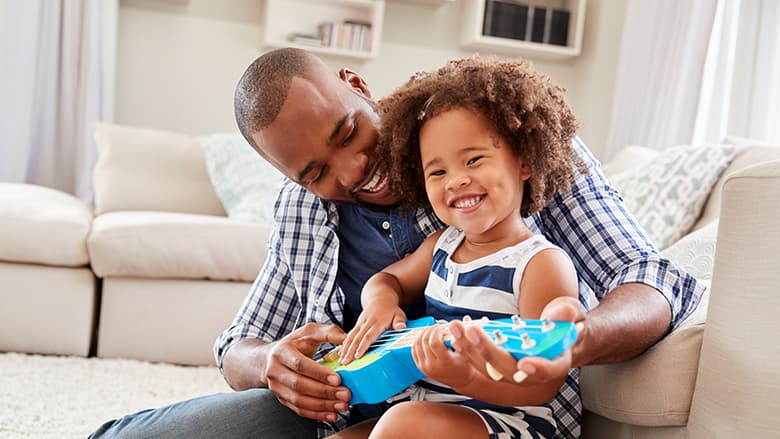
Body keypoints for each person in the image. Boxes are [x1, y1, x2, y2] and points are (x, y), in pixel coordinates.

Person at [89, 48, 705, 439]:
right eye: (315, 171)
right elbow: (237, 346)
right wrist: (271, 365)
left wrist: (570, 341)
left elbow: (648, 277)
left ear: (357, 84)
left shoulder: (500, 145)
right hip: (342, 404)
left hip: (484, 410)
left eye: (349, 132)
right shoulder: (303, 204)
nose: (351, 170)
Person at [330, 55, 584, 439]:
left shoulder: (540, 264)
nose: (456, 181)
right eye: (438, 171)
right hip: (435, 410)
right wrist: (381, 301)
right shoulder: (442, 246)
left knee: (401, 424)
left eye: (474, 160)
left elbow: (540, 384)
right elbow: (386, 280)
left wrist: (464, 378)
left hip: (512, 420)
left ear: (524, 162)